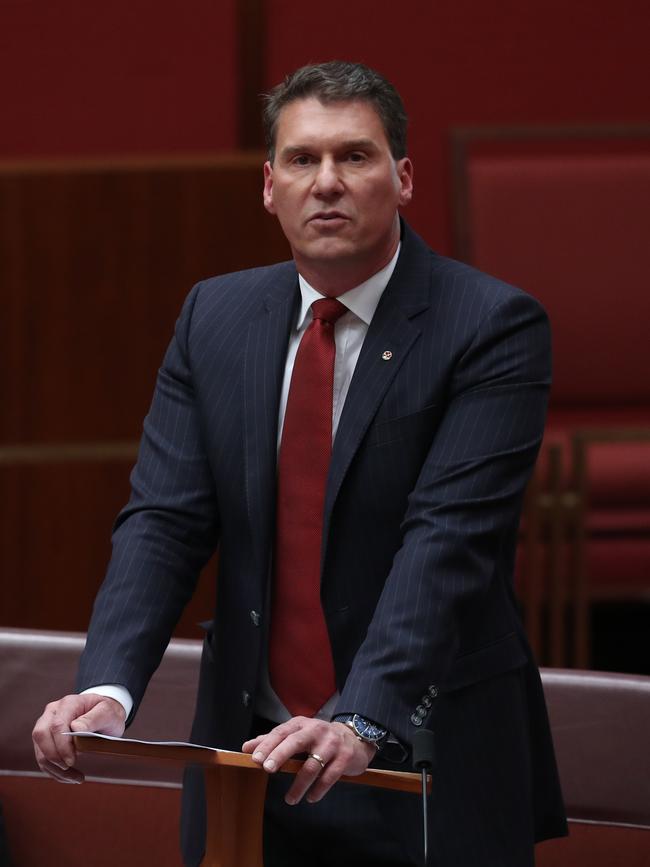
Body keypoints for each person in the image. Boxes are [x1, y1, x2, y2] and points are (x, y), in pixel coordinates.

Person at [32, 61, 567, 865]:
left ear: (404, 176)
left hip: (423, 749)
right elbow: (164, 520)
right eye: (302, 159)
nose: (327, 183)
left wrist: (361, 716)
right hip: (248, 758)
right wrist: (110, 687)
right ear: (268, 185)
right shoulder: (215, 315)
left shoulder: (491, 325)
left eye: (355, 156)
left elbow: (447, 541)